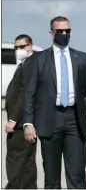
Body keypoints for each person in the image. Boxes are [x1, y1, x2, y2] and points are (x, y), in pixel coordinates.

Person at [21, 16, 86, 189]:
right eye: (60, 31)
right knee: (51, 177)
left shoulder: (81, 58)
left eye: (67, 31)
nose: (64, 34)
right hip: (49, 119)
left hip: (75, 120)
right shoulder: (39, 59)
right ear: (52, 34)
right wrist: (28, 122)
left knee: (77, 174)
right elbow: (29, 93)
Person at [4, 34, 37, 189]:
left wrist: (13, 119)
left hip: (21, 122)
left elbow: (26, 94)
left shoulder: (30, 65)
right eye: (16, 47)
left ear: (30, 46)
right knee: (26, 161)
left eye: (22, 47)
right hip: (24, 121)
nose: (18, 50)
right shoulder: (25, 64)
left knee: (16, 158)